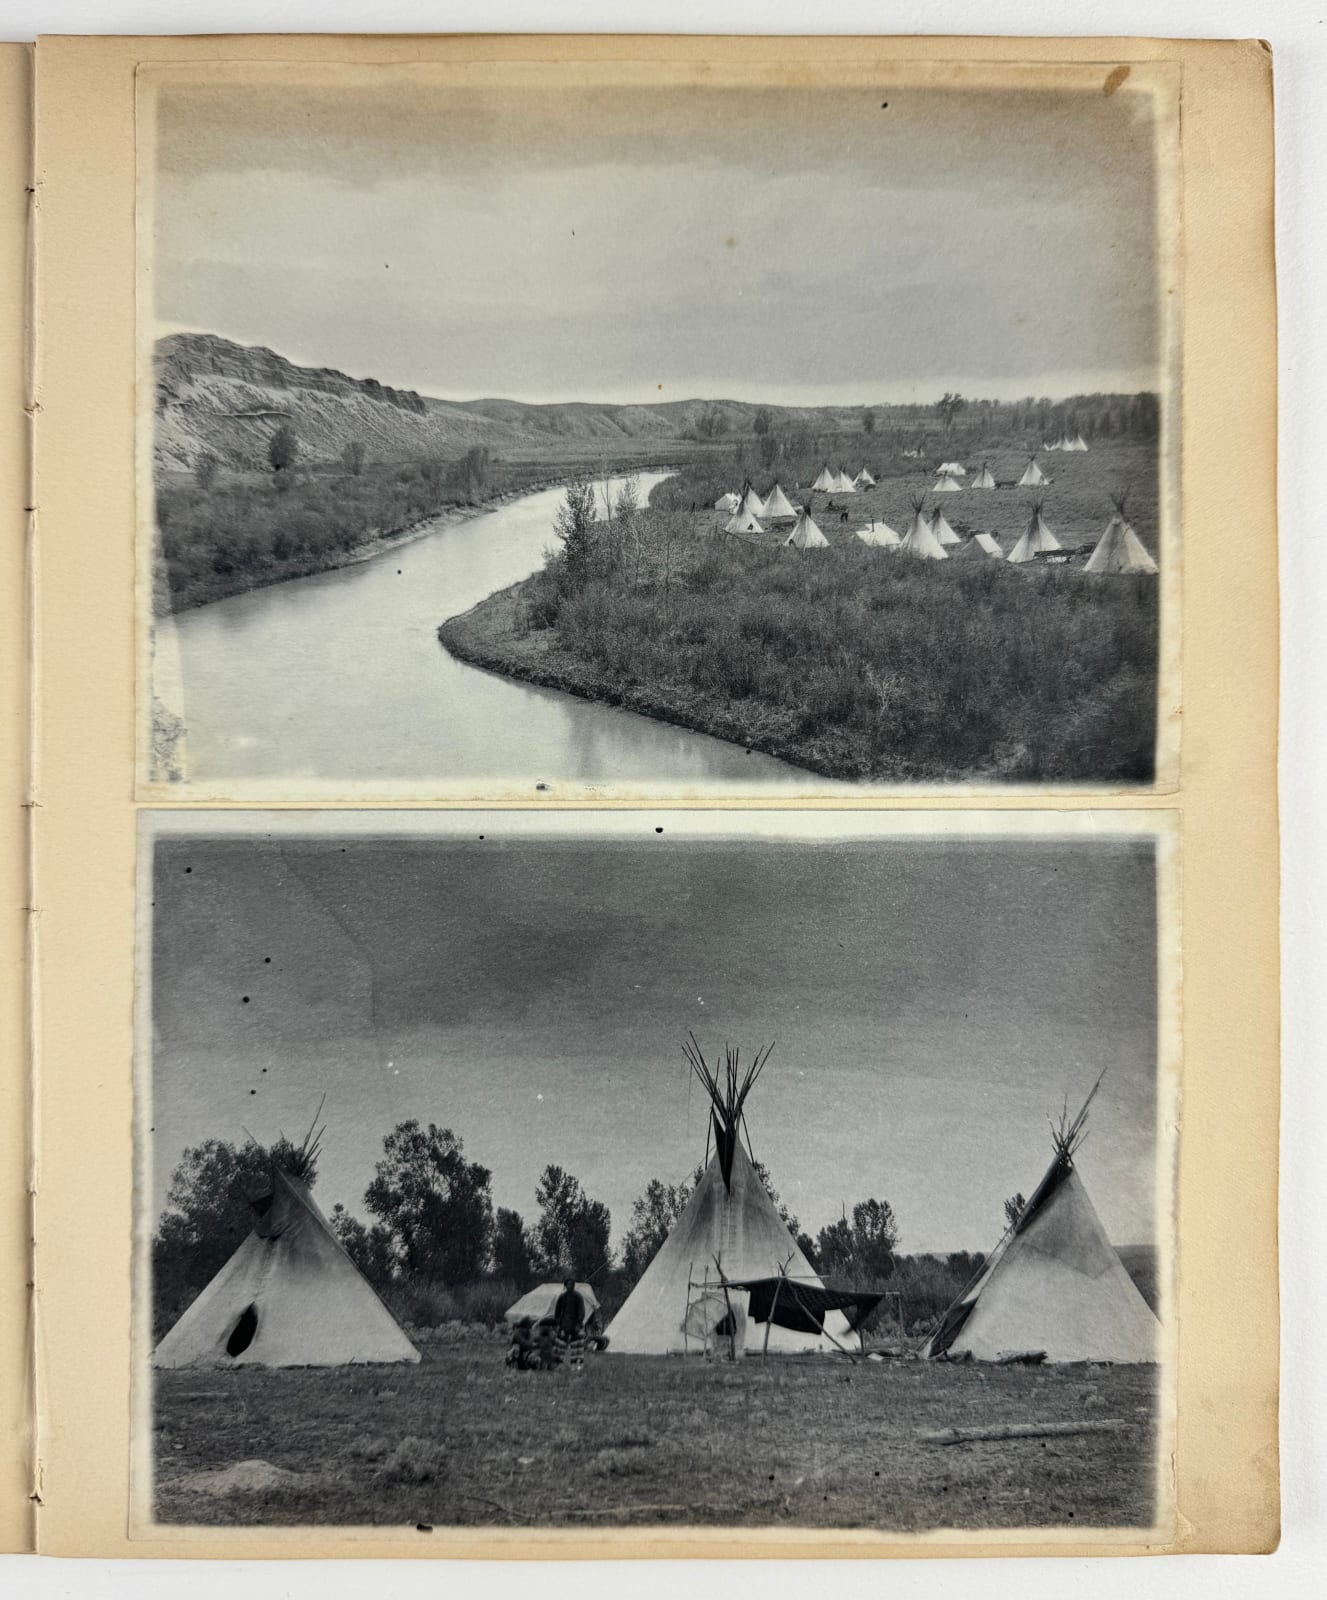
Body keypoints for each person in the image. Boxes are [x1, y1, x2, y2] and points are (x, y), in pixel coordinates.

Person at [552, 1275, 587, 1372]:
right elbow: (557, 1312)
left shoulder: (578, 1296)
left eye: (571, 1284)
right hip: (564, 1325)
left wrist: (579, 1324)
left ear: (574, 1285)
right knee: (559, 1347)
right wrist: (558, 1324)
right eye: (567, 1284)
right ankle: (557, 1366)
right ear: (565, 1285)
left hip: (575, 1325)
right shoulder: (562, 1297)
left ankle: (576, 1366)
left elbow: (581, 1311)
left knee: (577, 1347)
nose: (569, 1286)